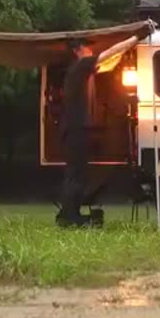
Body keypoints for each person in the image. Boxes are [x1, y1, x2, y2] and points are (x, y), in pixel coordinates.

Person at [55, 41, 98, 227]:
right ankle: (69, 217)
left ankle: (68, 214)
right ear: (77, 50)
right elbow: (110, 54)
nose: (91, 51)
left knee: (76, 173)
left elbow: (105, 63)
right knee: (75, 174)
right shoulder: (80, 65)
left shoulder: (77, 70)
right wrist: (135, 38)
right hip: (75, 129)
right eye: (87, 47)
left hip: (74, 128)